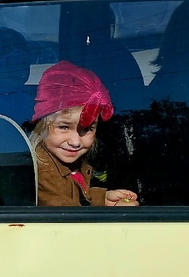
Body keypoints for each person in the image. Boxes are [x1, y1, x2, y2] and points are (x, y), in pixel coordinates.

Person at [28, 61, 139, 208]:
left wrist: (102, 198)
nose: (75, 141)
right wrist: (114, 215)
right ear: (41, 127)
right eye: (64, 127)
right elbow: (67, 220)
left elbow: (74, 194)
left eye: (86, 130)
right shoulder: (44, 172)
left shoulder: (67, 162)